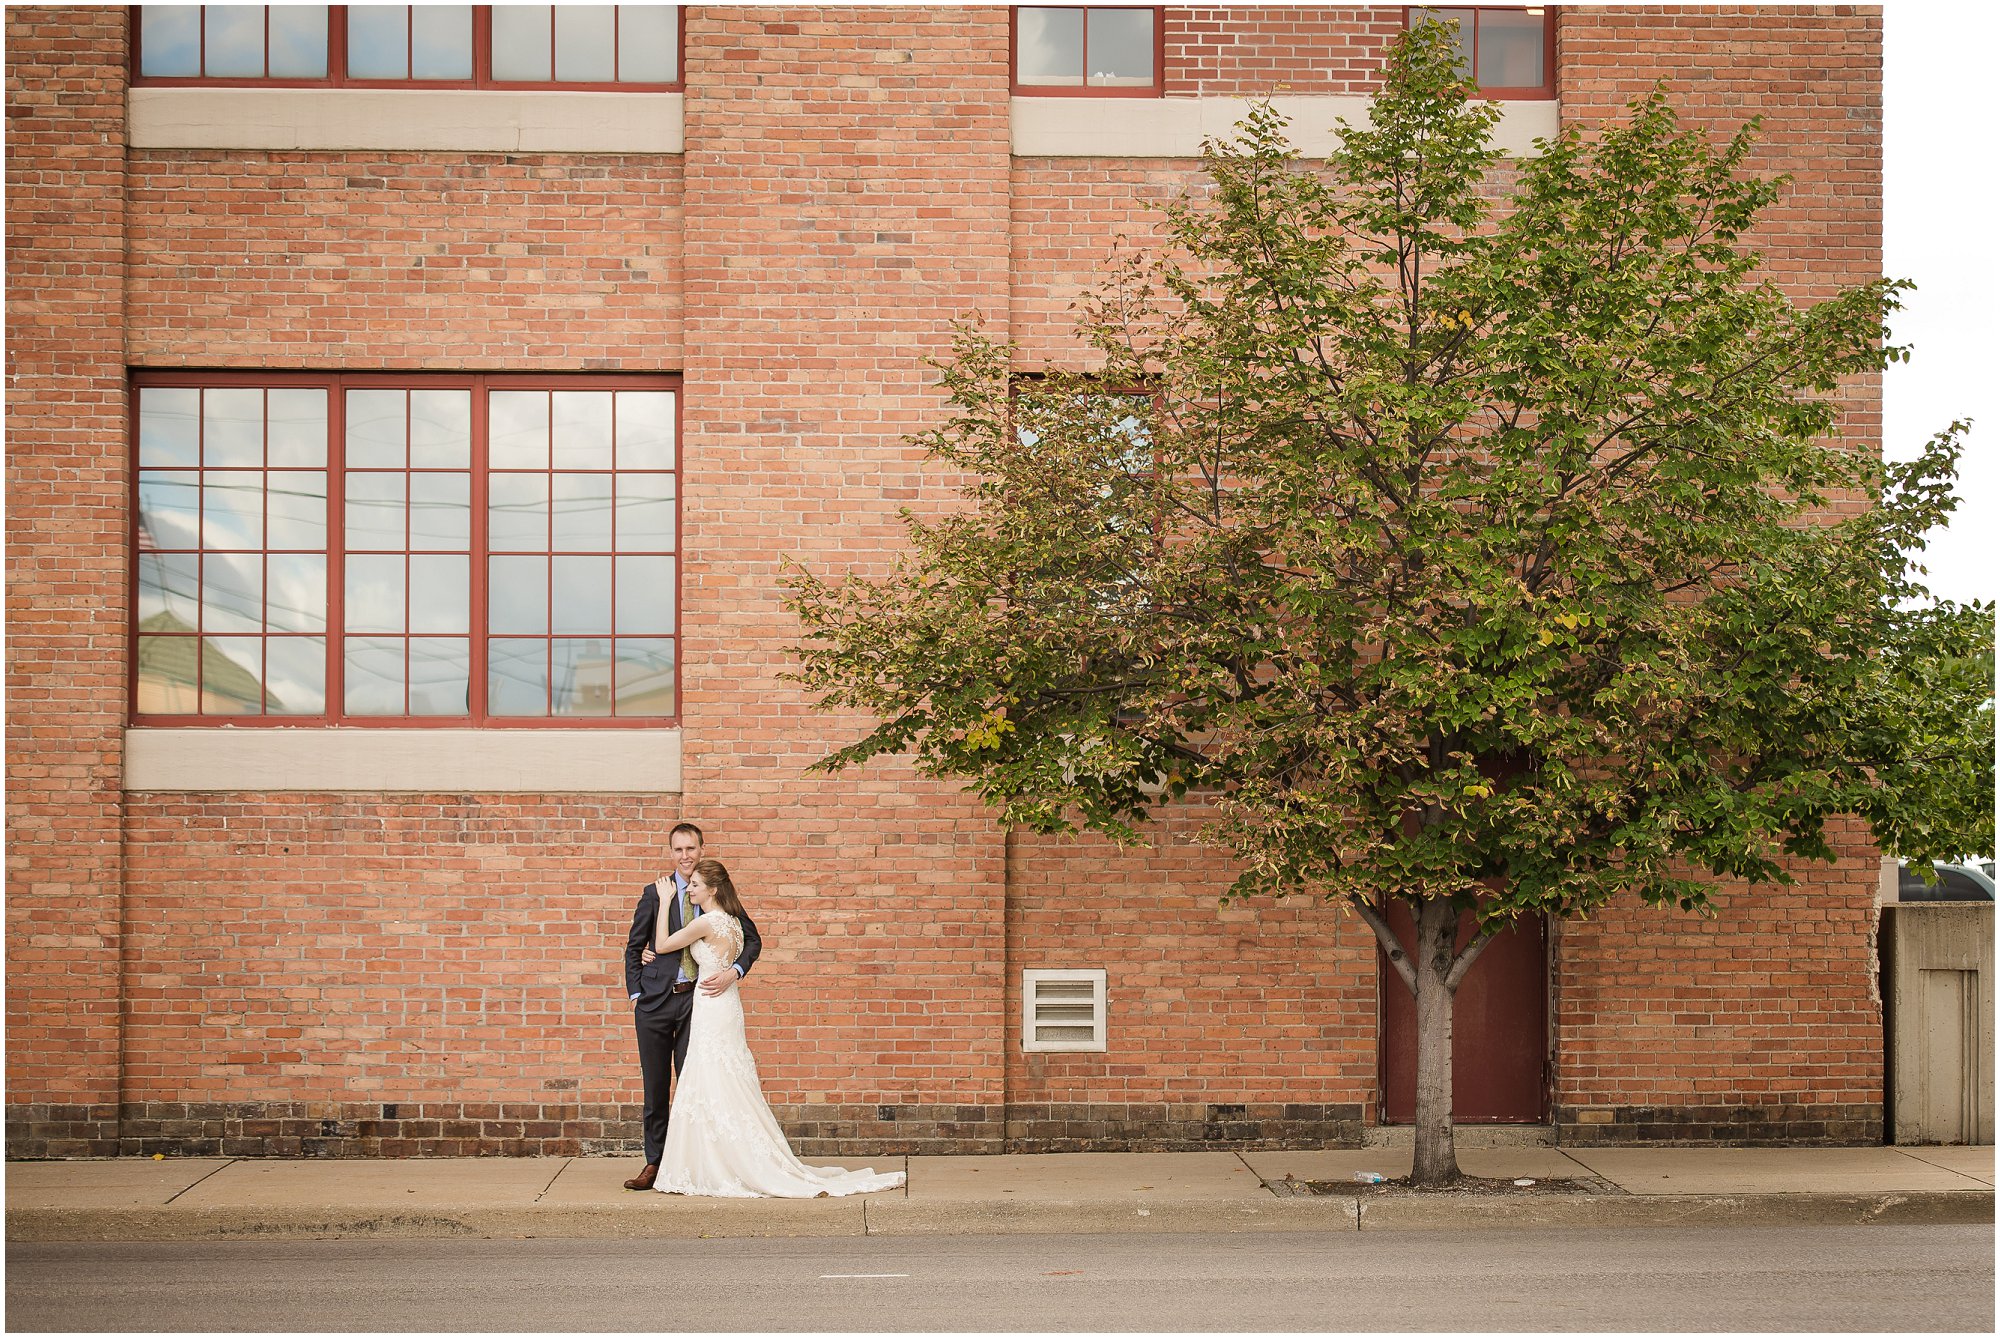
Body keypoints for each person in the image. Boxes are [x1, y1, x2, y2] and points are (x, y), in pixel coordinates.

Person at [649, 859, 905, 1198]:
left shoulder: (709, 922)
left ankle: (720, 1163)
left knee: (712, 1077)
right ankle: (720, 1157)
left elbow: (664, 945)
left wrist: (665, 901)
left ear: (712, 889)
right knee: (723, 1079)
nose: (690, 888)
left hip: (713, 1005)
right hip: (724, 1005)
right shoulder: (731, 922)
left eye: (695, 884)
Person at [621, 822, 761, 1191]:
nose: (685, 856)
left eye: (691, 849)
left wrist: (735, 970)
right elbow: (635, 947)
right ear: (671, 853)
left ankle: (694, 1163)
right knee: (655, 1087)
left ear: (701, 849)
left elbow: (751, 938)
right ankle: (654, 1163)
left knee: (694, 1085)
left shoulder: (714, 891)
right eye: (678, 850)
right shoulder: (655, 893)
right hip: (654, 1003)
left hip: (697, 1004)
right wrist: (637, 994)